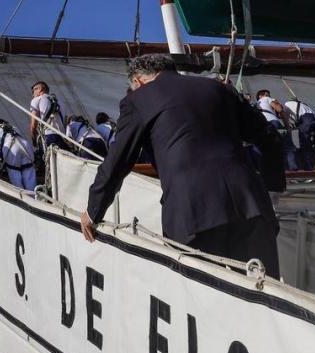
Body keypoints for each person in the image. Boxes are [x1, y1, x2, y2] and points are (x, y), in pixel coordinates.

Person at [82, 54, 285, 277]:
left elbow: (118, 161)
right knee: (267, 297)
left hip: (193, 214)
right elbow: (269, 137)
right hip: (252, 206)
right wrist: (272, 186)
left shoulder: (138, 100)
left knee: (202, 301)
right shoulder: (219, 89)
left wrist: (93, 212)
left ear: (138, 81)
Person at [0, 119, 37, 191]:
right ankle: (33, 195)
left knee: (14, 172)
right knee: (28, 171)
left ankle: (22, 196)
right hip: (25, 145)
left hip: (10, 147)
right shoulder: (13, 127)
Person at [256, 89, 297, 171]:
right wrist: (287, 126)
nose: (270, 96)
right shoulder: (266, 98)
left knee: (270, 148)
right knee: (288, 146)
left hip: (262, 126)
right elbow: (279, 109)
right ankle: (293, 169)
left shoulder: (255, 104)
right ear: (262, 95)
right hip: (274, 123)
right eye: (267, 94)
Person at [284, 98, 315, 170]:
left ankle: (308, 168)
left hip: (305, 119)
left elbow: (285, 116)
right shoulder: (303, 104)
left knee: (305, 144)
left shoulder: (287, 104)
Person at [29, 81, 65, 151]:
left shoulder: (36, 99)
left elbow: (33, 125)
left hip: (49, 136)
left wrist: (34, 140)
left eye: (33, 91)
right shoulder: (61, 102)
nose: (33, 94)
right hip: (63, 139)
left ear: (40, 89)